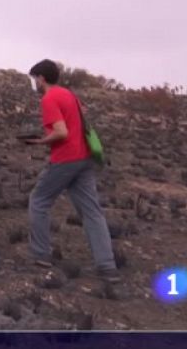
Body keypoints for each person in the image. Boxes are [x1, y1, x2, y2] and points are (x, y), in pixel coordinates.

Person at [24, 59, 119, 283]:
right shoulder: (69, 95)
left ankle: (41, 255)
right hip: (84, 157)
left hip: (66, 158)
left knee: (38, 200)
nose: (34, 83)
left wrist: (40, 142)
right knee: (91, 211)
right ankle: (107, 266)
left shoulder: (49, 98)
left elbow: (61, 132)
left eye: (34, 79)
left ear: (41, 78)